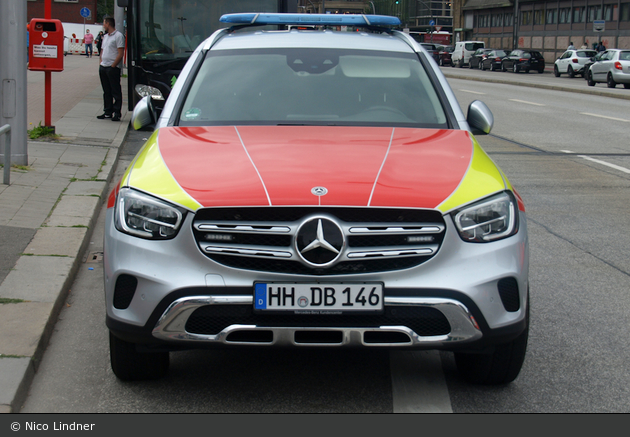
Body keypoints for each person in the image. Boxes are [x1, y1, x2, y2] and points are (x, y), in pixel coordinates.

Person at [97, 18, 125, 122]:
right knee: (106, 91)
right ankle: (108, 111)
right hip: (103, 66)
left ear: (108, 24)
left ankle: (117, 112)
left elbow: (120, 53)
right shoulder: (105, 37)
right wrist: (101, 62)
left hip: (112, 68)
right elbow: (102, 50)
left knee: (115, 91)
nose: (103, 25)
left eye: (104, 23)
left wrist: (113, 66)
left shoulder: (118, 36)